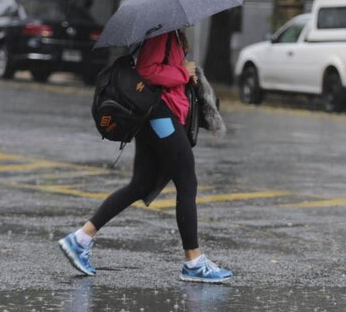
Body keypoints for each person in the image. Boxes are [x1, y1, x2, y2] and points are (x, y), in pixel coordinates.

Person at [58, 29, 232, 283]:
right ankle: (193, 261)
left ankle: (80, 238)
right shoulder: (160, 34)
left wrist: (186, 74)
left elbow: (165, 71)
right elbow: (148, 71)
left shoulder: (170, 33)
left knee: (140, 185)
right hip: (159, 116)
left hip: (161, 115)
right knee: (187, 181)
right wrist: (184, 72)